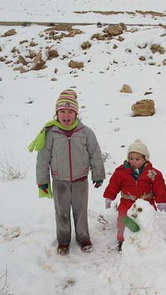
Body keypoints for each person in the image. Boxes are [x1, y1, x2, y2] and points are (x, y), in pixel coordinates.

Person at [29, 89, 105, 255]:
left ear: (76, 113)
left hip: (80, 179)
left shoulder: (85, 132)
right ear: (56, 113)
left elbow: (95, 154)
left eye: (70, 112)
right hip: (59, 181)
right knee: (61, 212)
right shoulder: (50, 133)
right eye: (62, 111)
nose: (66, 115)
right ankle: (63, 240)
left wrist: (98, 175)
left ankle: (83, 238)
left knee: (81, 211)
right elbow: (43, 159)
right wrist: (42, 181)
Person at [103, 139, 166, 251]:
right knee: (124, 220)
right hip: (127, 203)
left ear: (145, 159)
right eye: (131, 158)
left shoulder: (152, 173)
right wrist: (109, 196)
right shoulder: (121, 172)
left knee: (145, 222)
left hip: (146, 204)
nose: (133, 161)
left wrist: (161, 201)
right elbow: (113, 185)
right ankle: (123, 240)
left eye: (137, 159)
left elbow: (159, 187)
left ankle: (146, 239)